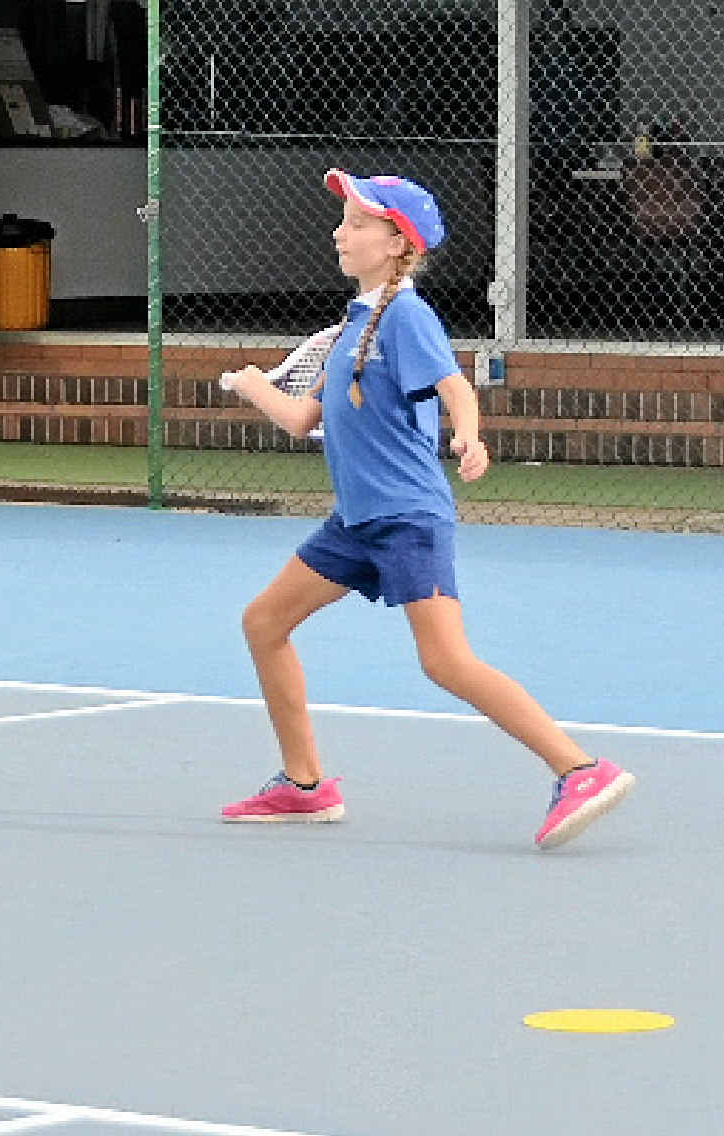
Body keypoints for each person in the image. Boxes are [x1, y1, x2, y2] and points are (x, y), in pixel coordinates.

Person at [219, 169, 635, 848]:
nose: (340, 233)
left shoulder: (407, 316)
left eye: (356, 223)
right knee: (264, 622)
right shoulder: (355, 322)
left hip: (408, 517)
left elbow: (454, 387)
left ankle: (580, 768)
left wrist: (468, 432)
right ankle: (304, 786)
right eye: (345, 220)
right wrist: (251, 387)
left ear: (395, 241)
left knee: (444, 661)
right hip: (356, 521)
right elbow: (303, 418)